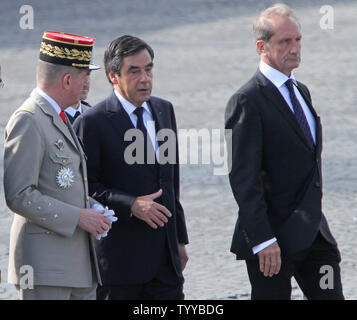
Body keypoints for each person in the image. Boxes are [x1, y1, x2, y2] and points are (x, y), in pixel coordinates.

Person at [225, 3, 344, 300]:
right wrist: (263, 239)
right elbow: (243, 178)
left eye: (298, 40)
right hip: (272, 243)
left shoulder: (301, 91)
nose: (295, 48)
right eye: (285, 42)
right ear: (261, 46)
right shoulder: (246, 100)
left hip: (315, 234)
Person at [74, 35, 189, 300]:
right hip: (119, 265)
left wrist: (179, 241)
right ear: (114, 76)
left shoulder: (164, 110)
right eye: (134, 71)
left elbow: (171, 181)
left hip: (165, 263)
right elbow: (86, 188)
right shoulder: (93, 122)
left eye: (148, 69)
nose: (145, 78)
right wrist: (131, 205)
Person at [3, 31, 112, 300]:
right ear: (66, 79)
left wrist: (93, 208)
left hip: (78, 265)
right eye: (85, 74)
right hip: (44, 268)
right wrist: (78, 216)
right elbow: (19, 195)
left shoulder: (63, 116)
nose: (88, 82)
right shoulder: (29, 119)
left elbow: (64, 185)